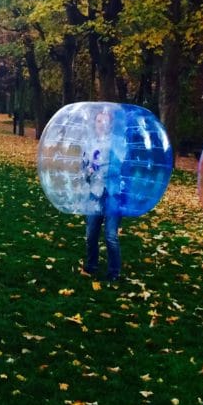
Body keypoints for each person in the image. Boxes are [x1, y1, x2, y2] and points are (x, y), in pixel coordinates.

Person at [83, 106, 126, 282]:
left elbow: (123, 166)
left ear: (111, 124)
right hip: (95, 192)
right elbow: (84, 171)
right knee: (91, 233)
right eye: (99, 121)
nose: (102, 124)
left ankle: (114, 271)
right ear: (94, 123)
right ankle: (91, 265)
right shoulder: (89, 144)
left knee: (110, 235)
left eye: (105, 121)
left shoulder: (119, 142)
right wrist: (88, 171)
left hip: (113, 194)